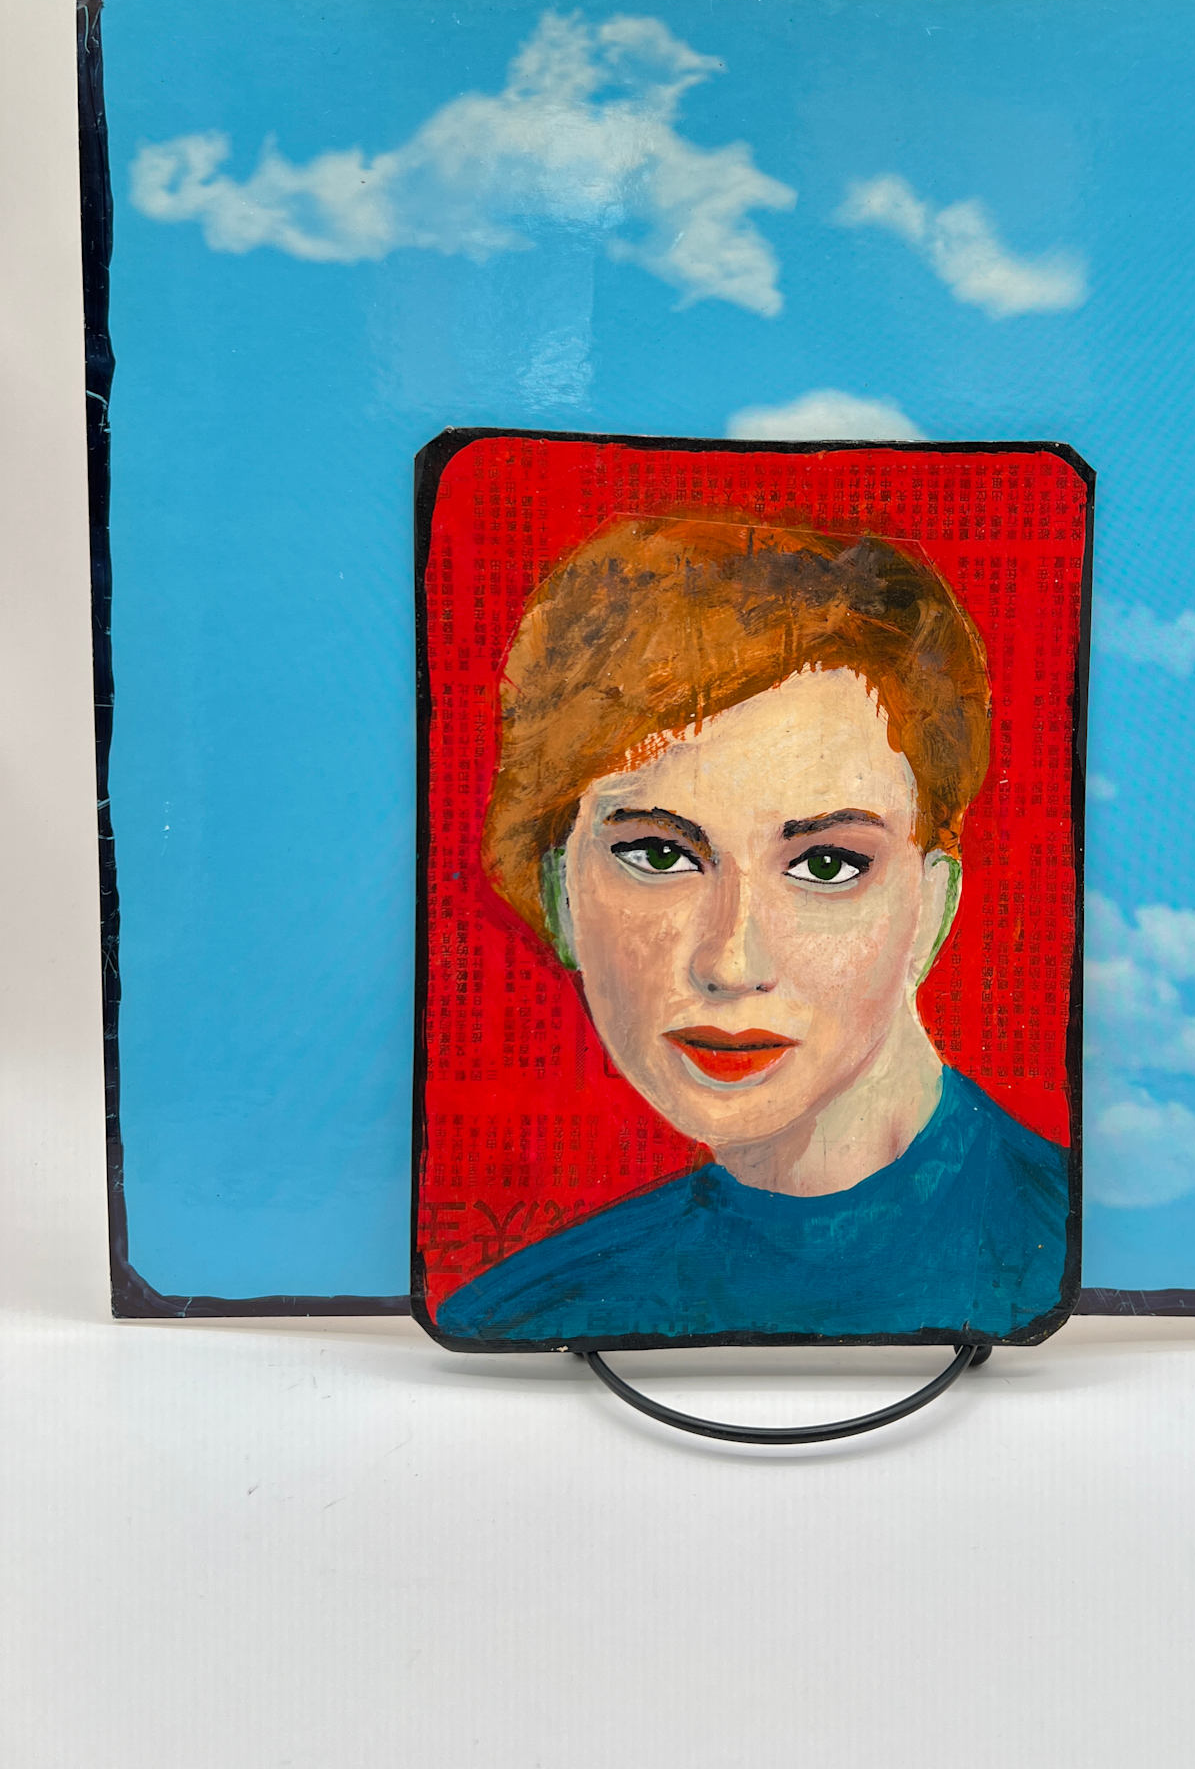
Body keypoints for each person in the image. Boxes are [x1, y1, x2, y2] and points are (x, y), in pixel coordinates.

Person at [434, 515, 1070, 1344]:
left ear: (932, 908)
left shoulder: (1059, 1261)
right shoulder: (523, 1315)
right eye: (659, 855)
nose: (732, 962)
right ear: (559, 895)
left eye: (827, 865)